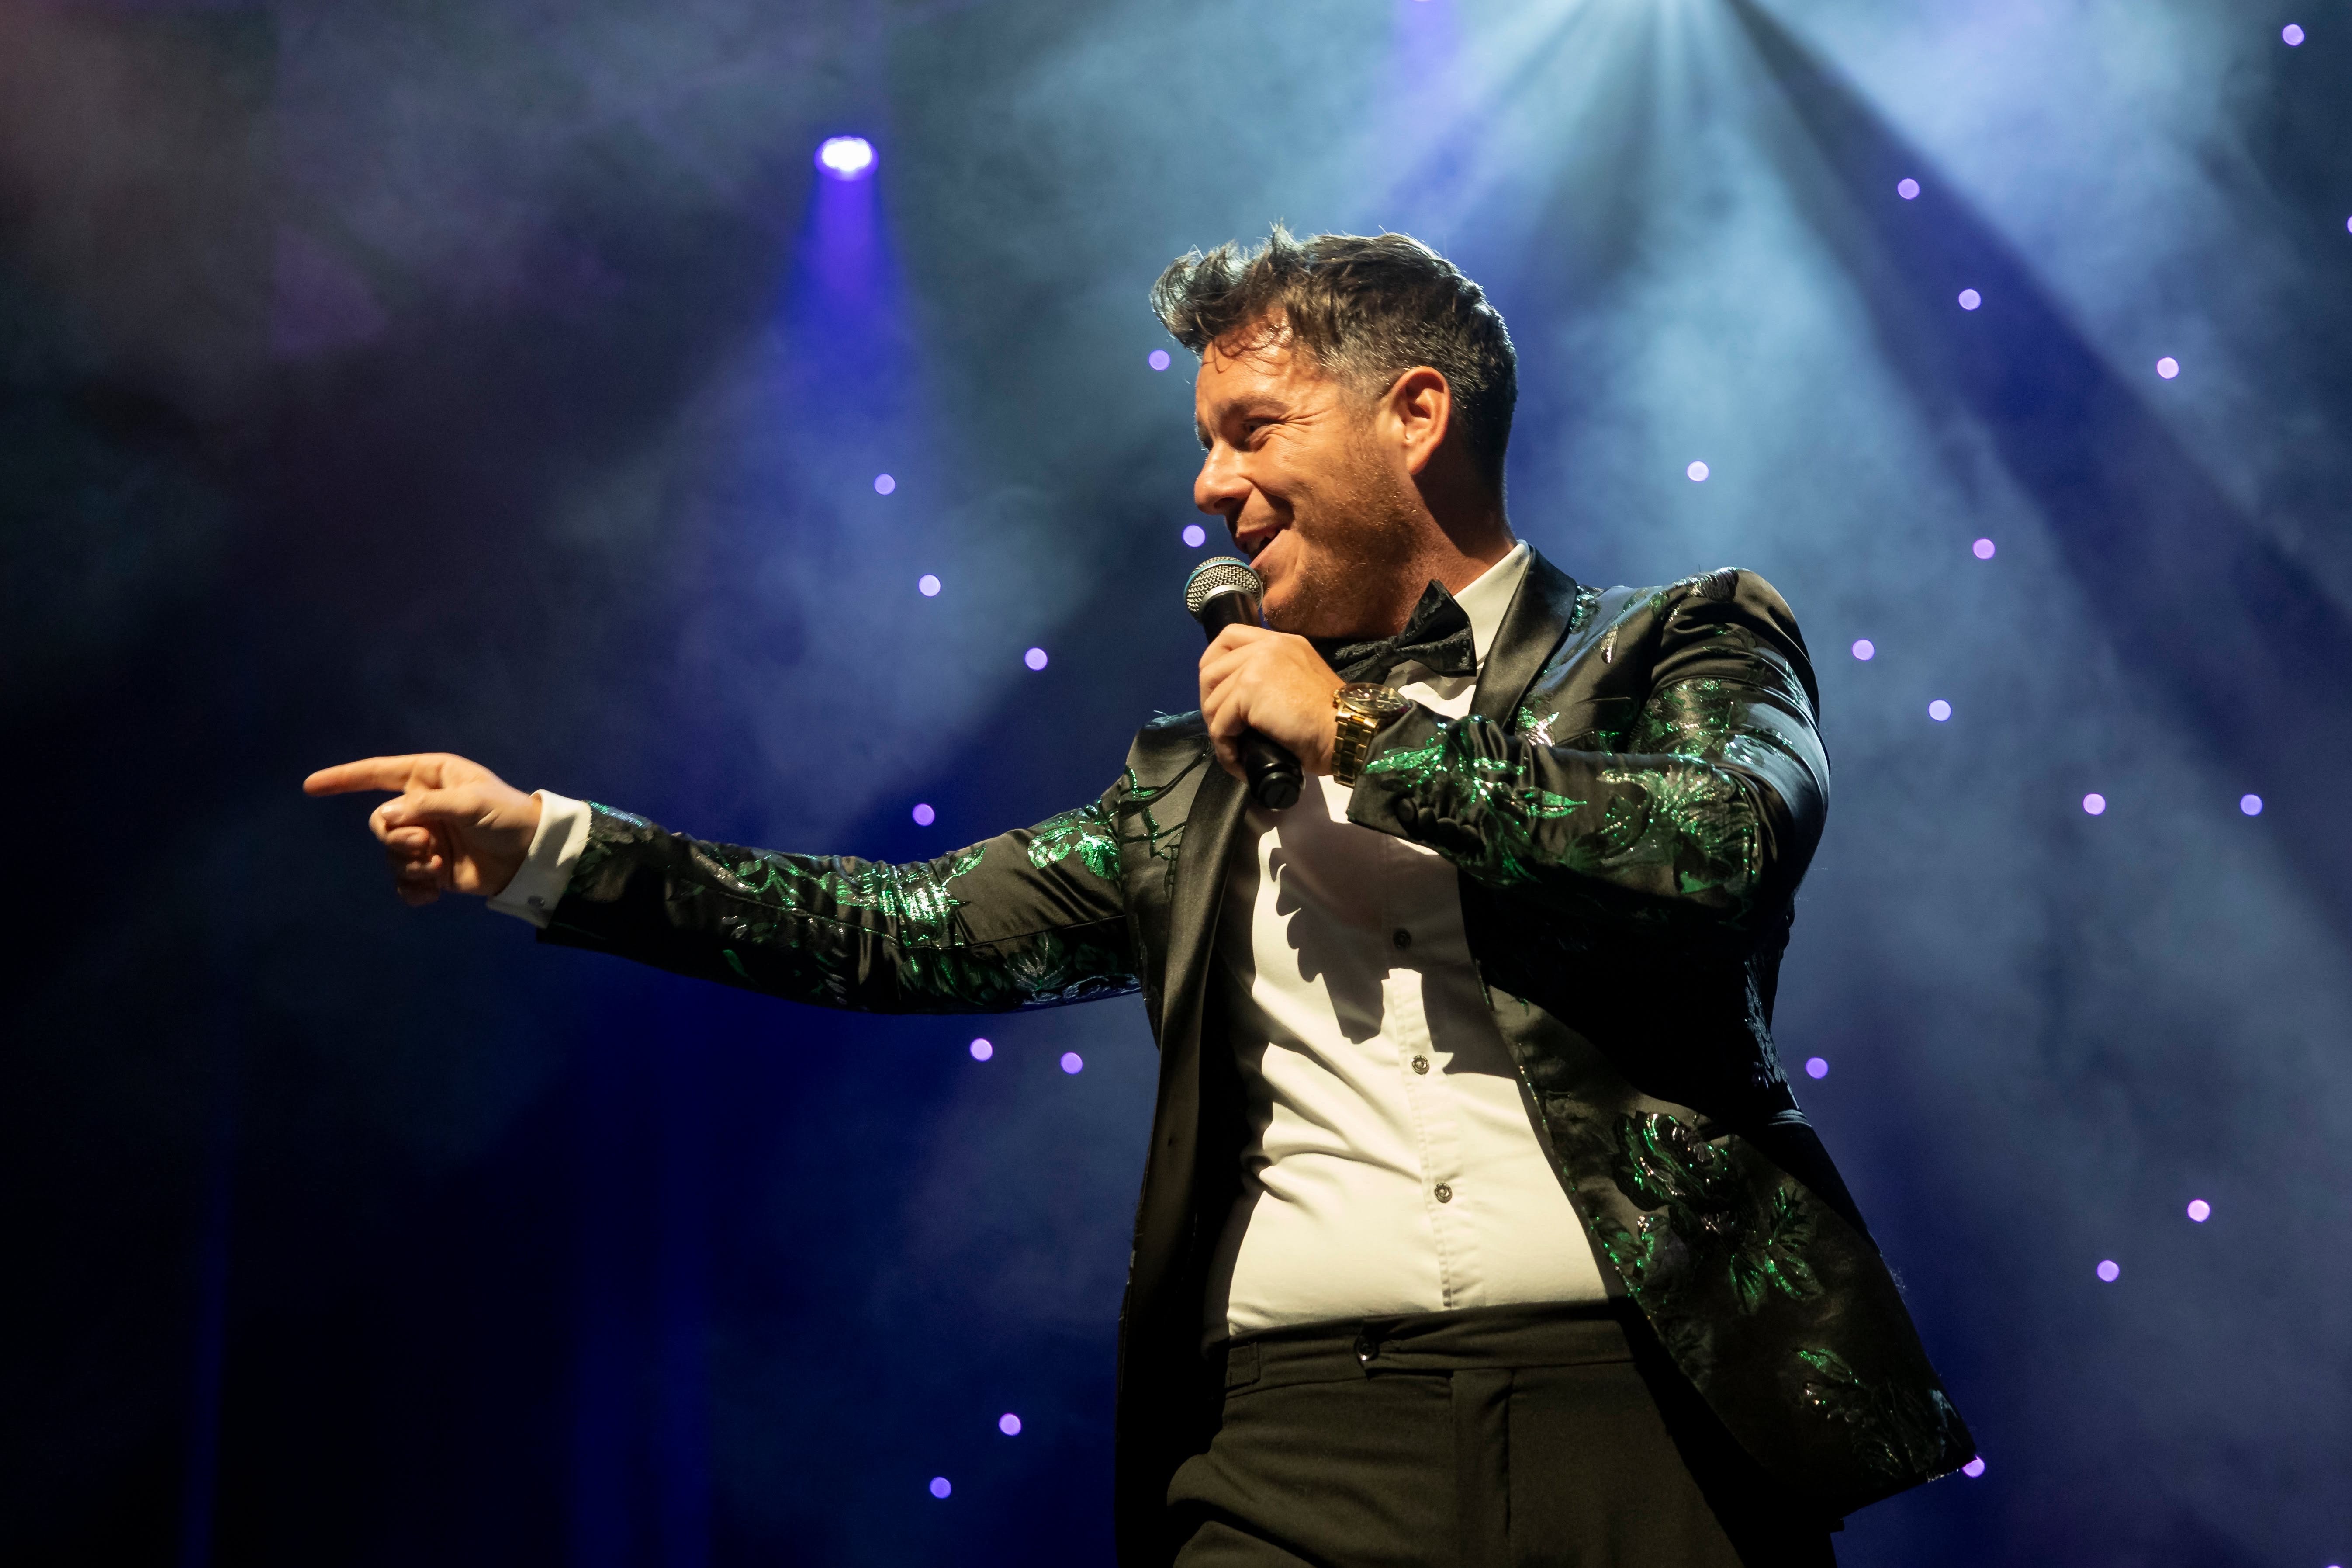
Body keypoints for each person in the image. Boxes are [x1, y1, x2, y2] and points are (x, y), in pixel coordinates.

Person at [308, 229, 1971, 1567]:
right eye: (1205, 446)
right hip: (1295, 1450)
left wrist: (1367, 736)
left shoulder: (1678, 640)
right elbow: (900, 931)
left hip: (1648, 1420)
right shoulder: (1192, 784)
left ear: (1414, 414)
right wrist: (552, 846)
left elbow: (1718, 843)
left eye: (1253, 430)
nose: (1211, 488)